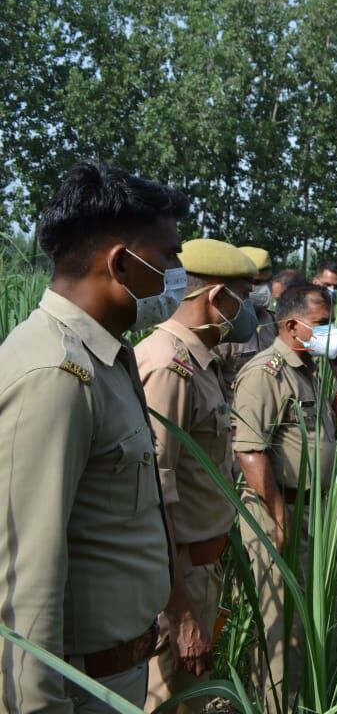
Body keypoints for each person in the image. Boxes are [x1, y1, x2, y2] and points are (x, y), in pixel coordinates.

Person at [0, 161, 188, 712]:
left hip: (117, 674)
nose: (178, 272)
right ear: (120, 263)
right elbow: (21, 589)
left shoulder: (105, 357)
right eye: (169, 255)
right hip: (77, 691)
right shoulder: (54, 375)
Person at [136, 239, 257, 713]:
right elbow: (153, 496)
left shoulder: (200, 362)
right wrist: (182, 613)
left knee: (186, 699)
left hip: (197, 569)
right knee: (166, 700)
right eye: (245, 299)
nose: (249, 313)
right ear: (216, 298)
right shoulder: (170, 367)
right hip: (177, 578)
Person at [231, 285, 337, 712]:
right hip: (278, 511)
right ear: (291, 325)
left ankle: (280, 701)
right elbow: (249, 450)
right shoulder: (265, 373)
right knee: (282, 626)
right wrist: (278, 518)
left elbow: (327, 431)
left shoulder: (308, 370)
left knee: (296, 621)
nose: (332, 335)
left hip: (308, 510)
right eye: (322, 325)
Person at [217, 246, 279, 398]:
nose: (264, 289)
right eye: (257, 282)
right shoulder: (223, 328)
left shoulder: (277, 323)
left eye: (268, 281)